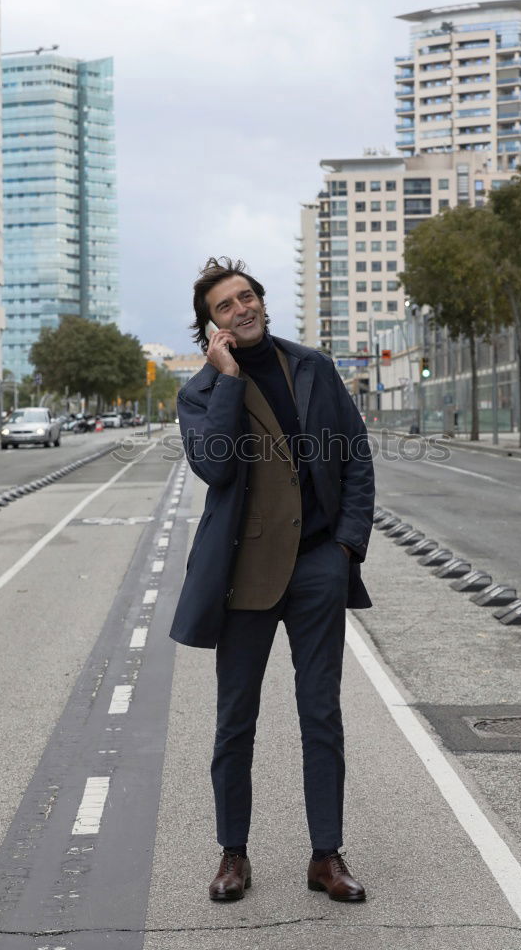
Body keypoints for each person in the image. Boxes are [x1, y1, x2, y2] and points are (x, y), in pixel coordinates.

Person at [171, 257, 374, 903]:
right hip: (245, 576)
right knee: (236, 720)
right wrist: (227, 378)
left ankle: (326, 857)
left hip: (318, 565)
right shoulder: (199, 391)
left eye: (248, 296)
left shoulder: (312, 366)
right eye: (226, 305)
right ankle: (233, 855)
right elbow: (214, 469)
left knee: (322, 713)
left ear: (263, 301)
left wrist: (346, 545)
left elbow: (356, 455)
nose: (243, 308)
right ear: (212, 325)